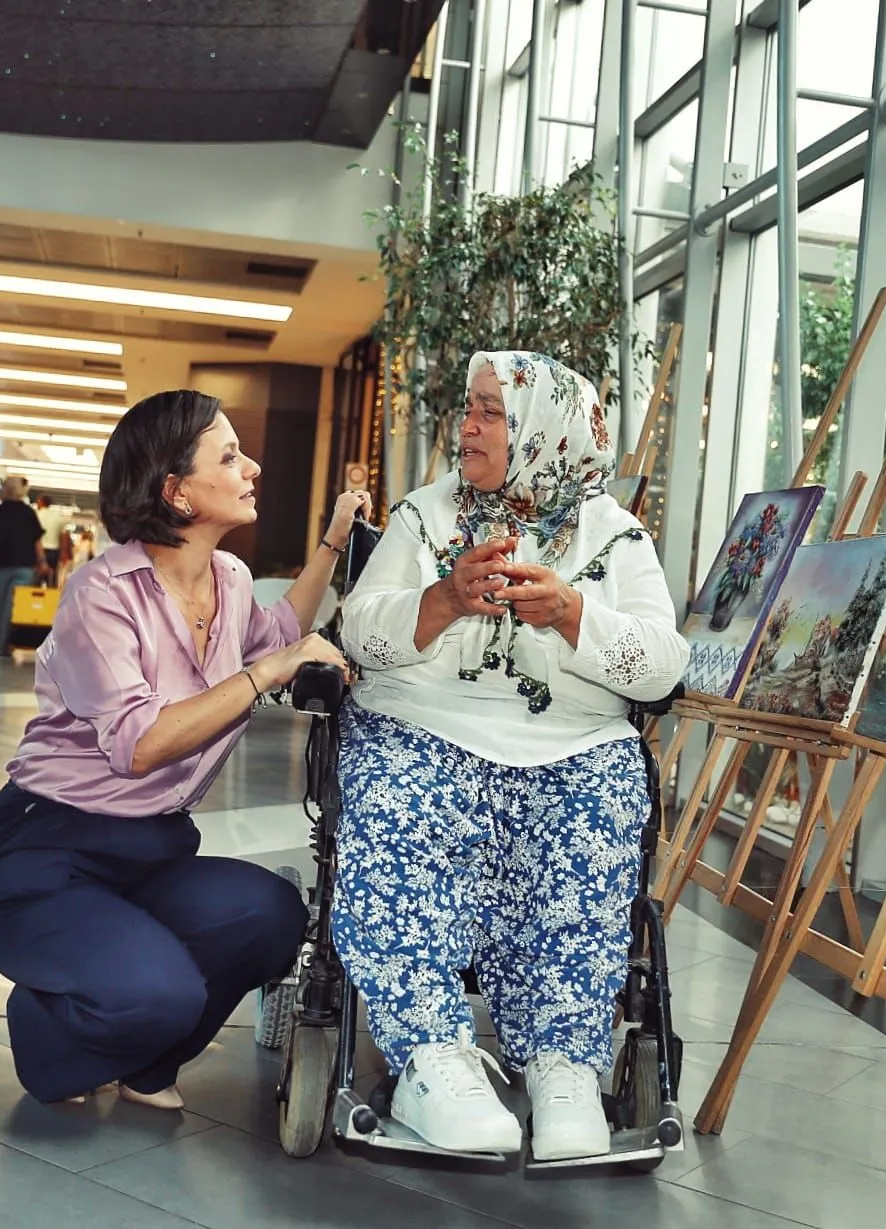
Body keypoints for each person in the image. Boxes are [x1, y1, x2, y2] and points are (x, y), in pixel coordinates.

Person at [0, 388, 368, 1109]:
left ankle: (147, 1061)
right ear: (178, 493)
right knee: (162, 991)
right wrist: (263, 672)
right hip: (46, 854)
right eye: (229, 456)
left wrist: (336, 536)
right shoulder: (102, 594)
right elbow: (140, 745)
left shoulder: (231, 579)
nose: (250, 468)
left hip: (152, 848)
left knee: (272, 916)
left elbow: (280, 632)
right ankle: (47, 1039)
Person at [336, 352, 689, 1160]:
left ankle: (565, 1065)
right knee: (402, 797)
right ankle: (433, 1059)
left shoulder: (615, 536)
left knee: (603, 802)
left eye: (491, 412)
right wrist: (445, 598)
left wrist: (572, 614)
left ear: (543, 430)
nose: (468, 425)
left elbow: (665, 663)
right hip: (424, 726)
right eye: (471, 407)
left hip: (570, 743)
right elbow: (358, 629)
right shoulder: (424, 518)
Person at [0, 478, 47, 659]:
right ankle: (4, 640)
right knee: (12, 604)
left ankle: (0, 640)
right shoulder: (28, 513)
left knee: (1, 601)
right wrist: (42, 561)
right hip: (24, 565)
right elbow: (36, 541)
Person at [36, 495, 67, 576]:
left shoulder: (36, 515)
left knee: (37, 578)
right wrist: (63, 553)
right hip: (54, 552)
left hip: (38, 551)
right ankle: (51, 585)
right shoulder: (58, 516)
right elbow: (63, 536)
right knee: (51, 576)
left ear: (40, 503)